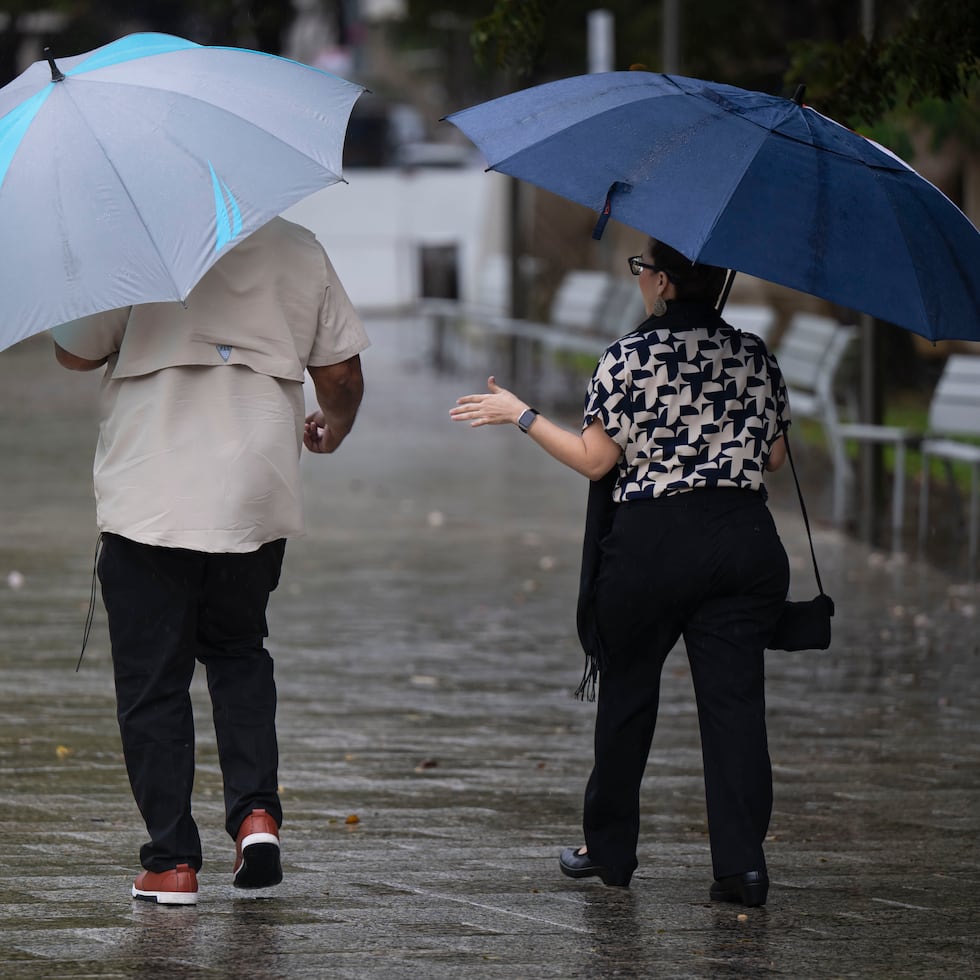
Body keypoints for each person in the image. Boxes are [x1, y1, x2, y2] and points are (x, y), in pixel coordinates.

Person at [450, 238, 790, 906]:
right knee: (736, 707)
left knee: (628, 697)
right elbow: (775, 457)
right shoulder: (754, 354)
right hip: (742, 541)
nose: (641, 282)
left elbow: (595, 460)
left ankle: (610, 851)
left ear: (663, 283)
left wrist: (519, 414)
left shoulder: (628, 358)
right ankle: (743, 866)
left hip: (652, 546)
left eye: (644, 272)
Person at [51, 216, 368, 905]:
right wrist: (334, 426)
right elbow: (340, 373)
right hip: (254, 484)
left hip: (153, 487)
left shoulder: (130, 238)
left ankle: (171, 863)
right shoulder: (298, 245)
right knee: (237, 648)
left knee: (152, 678)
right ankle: (256, 815)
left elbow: (74, 355)